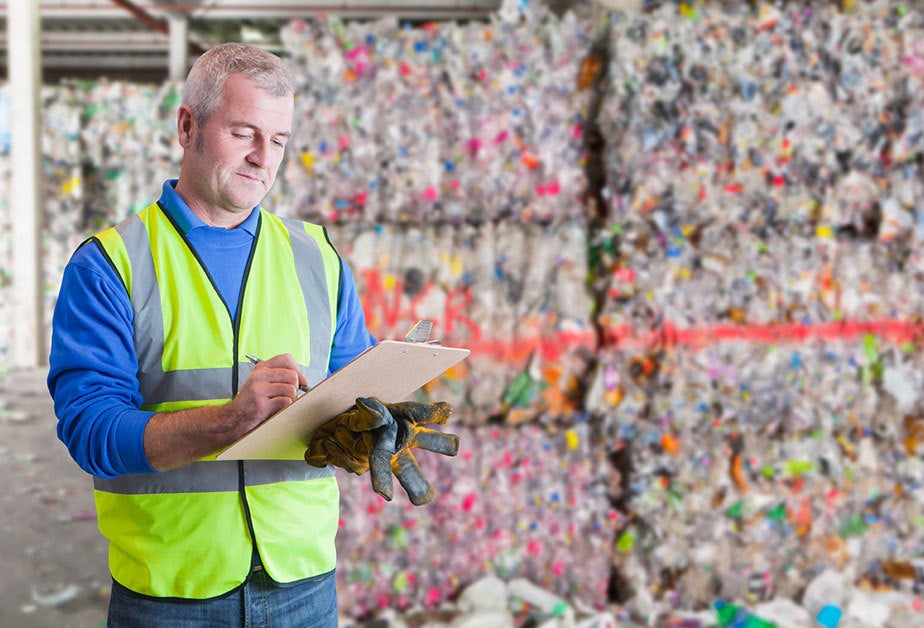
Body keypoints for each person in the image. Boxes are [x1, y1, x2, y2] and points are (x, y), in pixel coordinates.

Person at [47, 42, 377, 626]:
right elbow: (89, 431)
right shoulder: (111, 264)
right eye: (244, 132)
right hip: (171, 593)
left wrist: (379, 424)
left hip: (302, 584)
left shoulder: (318, 259)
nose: (262, 158)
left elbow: (356, 385)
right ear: (187, 125)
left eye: (278, 141)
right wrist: (230, 418)